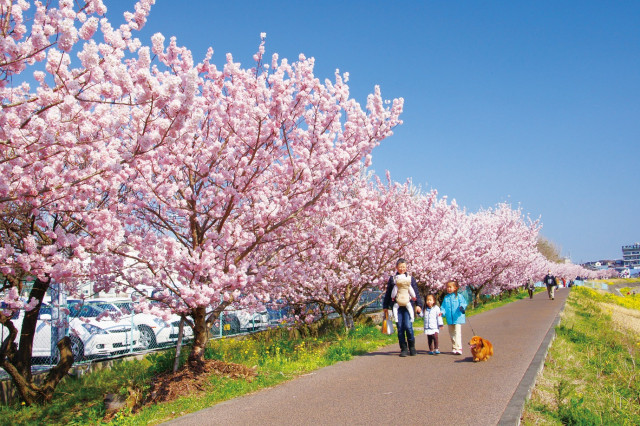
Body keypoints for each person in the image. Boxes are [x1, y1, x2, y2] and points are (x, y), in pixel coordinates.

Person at [383, 258, 423, 357]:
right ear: (396, 267)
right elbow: (389, 293)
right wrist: (385, 306)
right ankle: (403, 348)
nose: (402, 268)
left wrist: (418, 304)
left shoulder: (410, 278)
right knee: (400, 327)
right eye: (400, 266)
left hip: (408, 304)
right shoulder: (393, 279)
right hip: (397, 306)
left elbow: (415, 292)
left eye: (404, 267)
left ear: (406, 267)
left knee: (409, 327)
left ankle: (412, 347)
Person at [441, 280, 467, 355]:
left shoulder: (459, 296)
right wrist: (442, 312)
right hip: (449, 319)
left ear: (455, 288)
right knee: (451, 334)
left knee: (457, 333)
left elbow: (463, 303)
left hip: (457, 318)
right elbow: (443, 307)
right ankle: (454, 347)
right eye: (447, 287)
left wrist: (462, 307)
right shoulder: (446, 298)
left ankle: (459, 348)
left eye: (450, 287)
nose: (448, 289)